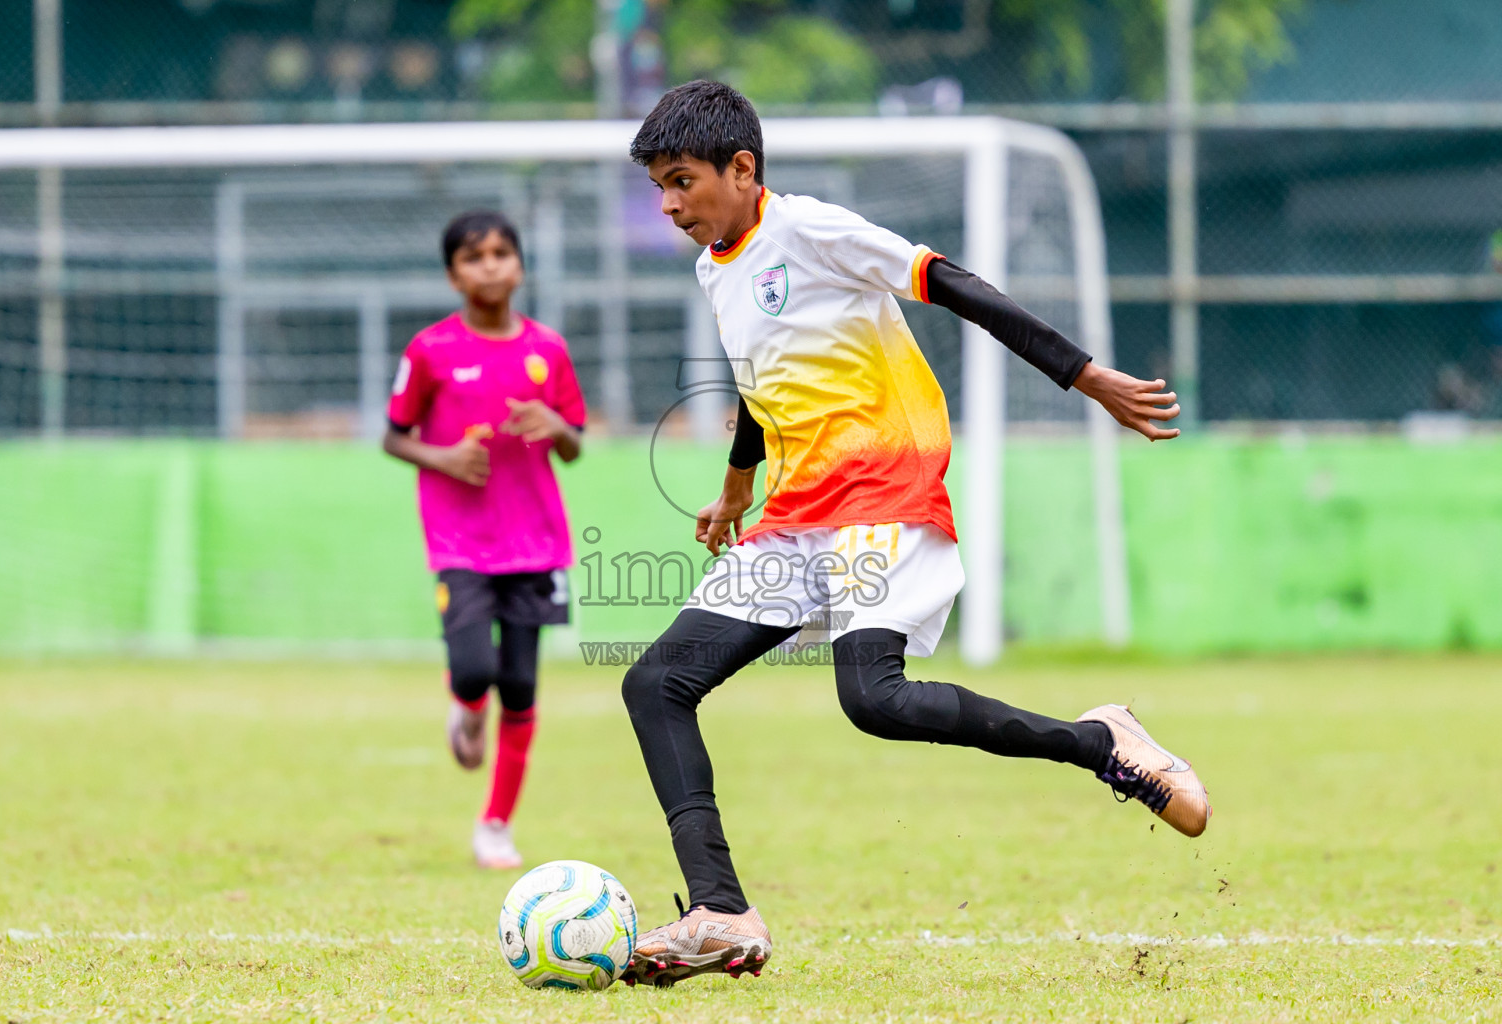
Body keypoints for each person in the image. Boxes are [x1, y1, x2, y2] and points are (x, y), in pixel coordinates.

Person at [618, 80, 1211, 986]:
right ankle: (721, 910)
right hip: (797, 515)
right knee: (656, 680)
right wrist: (737, 486)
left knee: (874, 700)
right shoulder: (714, 264)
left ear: (742, 169)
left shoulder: (813, 229)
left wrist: (1084, 376)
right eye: (659, 186)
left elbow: (955, 286)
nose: (667, 205)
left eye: (680, 181)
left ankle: (1105, 744)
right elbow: (758, 378)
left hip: (886, 491)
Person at [383, 210, 586, 869]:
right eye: (474, 257)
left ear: (520, 265)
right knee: (476, 671)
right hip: (460, 543)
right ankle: (465, 708)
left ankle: (495, 824)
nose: (490, 265)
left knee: (521, 688)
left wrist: (553, 423)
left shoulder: (548, 350)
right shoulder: (430, 351)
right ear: (453, 275)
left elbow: (575, 445)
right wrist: (444, 459)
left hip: (536, 545)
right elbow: (393, 434)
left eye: (502, 252)